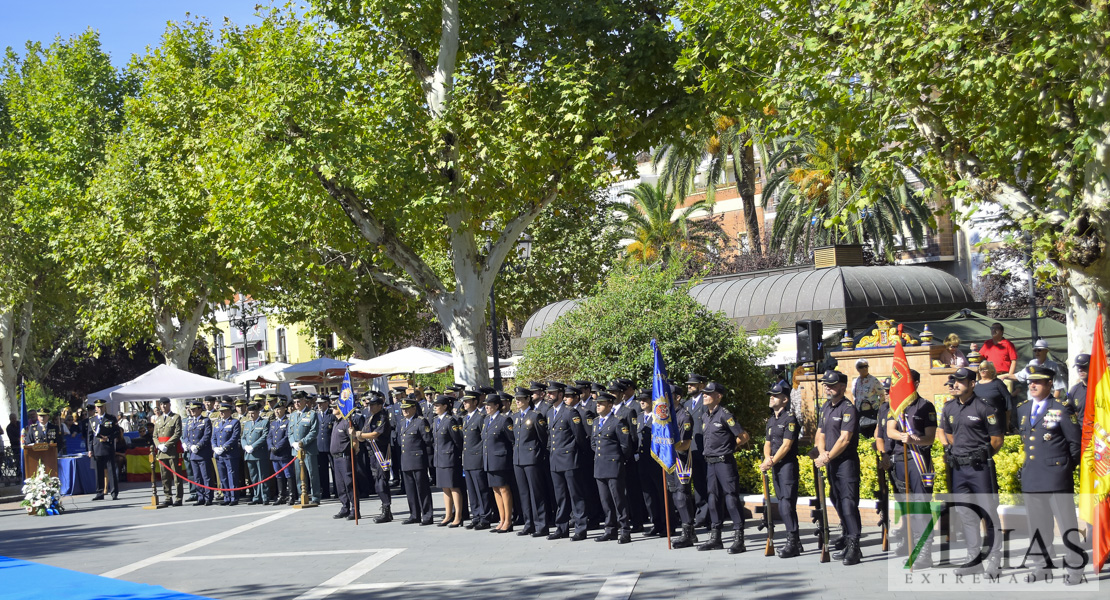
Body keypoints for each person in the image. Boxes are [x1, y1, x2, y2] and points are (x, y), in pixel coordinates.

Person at [1015, 365, 1084, 585]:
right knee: (1038, 525)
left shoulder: (1061, 408)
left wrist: (1065, 467)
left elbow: (1075, 443)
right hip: (1032, 476)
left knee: (1066, 526)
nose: (1032, 385)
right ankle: (1042, 567)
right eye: (1030, 382)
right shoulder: (1023, 409)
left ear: (1049, 383)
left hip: (1056, 476)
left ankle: (1075, 568)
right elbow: (1026, 440)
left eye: (1038, 382)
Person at [939, 367, 1005, 576]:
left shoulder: (985, 408)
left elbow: (997, 440)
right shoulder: (949, 408)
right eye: (954, 381)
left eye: (960, 381)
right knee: (966, 513)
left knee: (988, 513)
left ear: (972, 384)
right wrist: (959, 452)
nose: (955, 384)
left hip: (980, 469)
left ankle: (994, 558)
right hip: (959, 468)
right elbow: (947, 433)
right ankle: (973, 559)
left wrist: (978, 456)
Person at [885, 369, 937, 568]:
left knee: (920, 507)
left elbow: (930, 437)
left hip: (918, 460)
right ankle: (912, 546)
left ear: (916, 383)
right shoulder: (895, 407)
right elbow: (890, 430)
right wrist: (901, 437)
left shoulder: (925, 406)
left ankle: (925, 553)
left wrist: (914, 439)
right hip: (900, 459)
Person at [813, 370, 863, 565]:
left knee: (849, 503)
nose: (827, 387)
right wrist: (823, 453)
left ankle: (854, 547)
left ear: (842, 387)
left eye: (832, 385)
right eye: (826, 384)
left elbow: (844, 439)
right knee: (836, 499)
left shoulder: (848, 408)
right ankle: (847, 537)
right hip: (832, 462)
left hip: (846, 463)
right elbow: (820, 434)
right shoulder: (826, 406)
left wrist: (826, 457)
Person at [695, 382, 749, 554]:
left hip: (724, 463)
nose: (704, 395)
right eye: (704, 393)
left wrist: (730, 448)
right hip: (710, 463)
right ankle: (715, 537)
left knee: (731, 498)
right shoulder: (706, 415)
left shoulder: (725, 414)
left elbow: (743, 436)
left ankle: (739, 538)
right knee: (712, 498)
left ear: (718, 396)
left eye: (708, 393)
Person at [761, 382, 802, 558]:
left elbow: (786, 445)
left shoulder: (790, 419)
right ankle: (797, 542)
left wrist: (771, 461)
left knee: (786, 504)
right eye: (771, 394)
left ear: (784, 399)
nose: (771, 397)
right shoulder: (771, 420)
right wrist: (767, 458)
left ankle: (792, 541)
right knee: (783, 502)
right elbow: (767, 443)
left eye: (775, 395)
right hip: (776, 466)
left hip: (787, 466)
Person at [547, 384, 590, 541]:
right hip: (556, 460)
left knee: (576, 495)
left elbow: (579, 437)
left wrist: (578, 455)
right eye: (548, 393)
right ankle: (562, 527)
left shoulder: (570, 412)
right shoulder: (550, 413)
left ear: (560, 394)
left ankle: (581, 528)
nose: (549, 395)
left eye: (551, 393)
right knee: (561, 497)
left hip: (570, 459)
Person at [591, 392, 632, 544]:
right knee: (605, 501)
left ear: (610, 405)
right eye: (597, 403)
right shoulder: (596, 422)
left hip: (614, 465)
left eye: (601, 404)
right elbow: (594, 443)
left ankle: (625, 530)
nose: (598, 406)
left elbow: (625, 446)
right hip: (600, 465)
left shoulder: (617, 422)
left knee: (619, 500)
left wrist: (617, 460)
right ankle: (610, 529)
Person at [513, 383, 550, 537]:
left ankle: (541, 525)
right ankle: (529, 524)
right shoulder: (515, 417)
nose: (518, 401)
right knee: (524, 493)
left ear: (528, 399)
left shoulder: (535, 416)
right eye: (516, 399)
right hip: (519, 459)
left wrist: (539, 455)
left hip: (532, 459)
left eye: (521, 399)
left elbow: (543, 439)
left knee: (536, 493)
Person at [666, 384, 699, 549]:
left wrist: (669, 446)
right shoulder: (666, 416)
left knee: (681, 495)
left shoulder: (684, 416)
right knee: (673, 493)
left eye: (669, 395)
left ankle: (688, 532)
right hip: (669, 459)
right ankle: (690, 531)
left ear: (677, 397)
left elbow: (685, 444)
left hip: (681, 460)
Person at [353, 392, 393, 523]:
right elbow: (364, 433)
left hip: (381, 453)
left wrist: (360, 435)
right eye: (369, 404)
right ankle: (385, 507)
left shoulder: (382, 417)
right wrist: (357, 435)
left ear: (380, 405)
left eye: (373, 405)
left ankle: (386, 509)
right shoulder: (369, 418)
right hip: (372, 454)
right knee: (377, 482)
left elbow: (375, 434)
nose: (370, 407)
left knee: (382, 482)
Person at [397, 395, 434, 525]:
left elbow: (428, 440)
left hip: (418, 460)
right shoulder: (402, 423)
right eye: (403, 409)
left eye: (407, 409)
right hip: (406, 460)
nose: (405, 411)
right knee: (410, 490)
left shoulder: (420, 421)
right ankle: (414, 514)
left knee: (422, 489)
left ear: (414, 408)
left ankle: (427, 515)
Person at [429, 395, 464, 527]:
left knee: (454, 487)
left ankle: (458, 516)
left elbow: (457, 441)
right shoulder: (436, 420)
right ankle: (448, 514)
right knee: (445, 488)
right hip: (439, 458)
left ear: (445, 406)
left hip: (450, 458)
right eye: (435, 405)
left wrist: (456, 456)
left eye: (437, 405)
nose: (435, 407)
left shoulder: (450, 421)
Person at [634, 391, 666, 537]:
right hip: (643, 461)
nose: (641, 402)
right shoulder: (640, 417)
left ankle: (666, 524)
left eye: (645, 400)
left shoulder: (659, 417)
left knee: (660, 494)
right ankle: (656, 523)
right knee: (649, 496)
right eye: (640, 400)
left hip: (656, 461)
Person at [482, 393, 514, 533]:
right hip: (490, 460)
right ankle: (501, 519)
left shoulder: (504, 420)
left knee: (504, 489)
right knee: (495, 489)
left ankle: (508, 520)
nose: (487, 407)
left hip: (501, 460)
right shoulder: (487, 420)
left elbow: (512, 440)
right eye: (486, 405)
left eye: (489, 405)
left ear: (497, 406)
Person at [683, 373, 711, 527]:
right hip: (692, 449)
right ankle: (701, 516)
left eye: (692, 384)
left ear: (701, 385)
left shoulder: (706, 401)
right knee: (698, 484)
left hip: (705, 447)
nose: (689, 386)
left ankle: (711, 516)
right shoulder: (687, 404)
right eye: (688, 384)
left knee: (709, 484)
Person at [289, 392, 321, 505]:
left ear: (304, 401)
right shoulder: (292, 415)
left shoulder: (311, 414)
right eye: (295, 402)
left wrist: (302, 442)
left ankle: (316, 496)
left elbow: (314, 431)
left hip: (308, 449)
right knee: (299, 474)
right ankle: (301, 495)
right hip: (296, 450)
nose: (297, 404)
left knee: (312, 473)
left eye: (299, 401)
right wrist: (293, 443)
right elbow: (290, 432)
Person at [329, 403, 359, 520]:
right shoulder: (336, 422)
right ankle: (345, 507)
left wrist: (355, 450)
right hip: (336, 458)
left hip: (345, 457)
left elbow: (354, 440)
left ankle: (354, 509)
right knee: (340, 485)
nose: (333, 409)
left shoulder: (347, 422)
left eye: (335, 407)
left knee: (349, 484)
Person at [153, 397, 184, 507]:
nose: (163, 406)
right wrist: (159, 446)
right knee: (165, 476)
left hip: (172, 450)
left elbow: (177, 433)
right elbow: (154, 436)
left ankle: (178, 497)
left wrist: (167, 445)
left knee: (176, 476)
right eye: (161, 404)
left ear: (169, 405)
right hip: (162, 452)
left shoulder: (175, 417)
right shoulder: (158, 419)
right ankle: (168, 497)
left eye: (165, 404)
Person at [87, 399, 120, 501]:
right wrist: (90, 449)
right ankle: (99, 492)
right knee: (99, 471)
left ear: (104, 407)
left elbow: (117, 432)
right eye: (98, 407)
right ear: (95, 408)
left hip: (108, 446)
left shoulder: (111, 418)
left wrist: (109, 437)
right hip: (97, 447)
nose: (100, 409)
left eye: (101, 407)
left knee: (111, 470)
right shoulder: (92, 420)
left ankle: (114, 493)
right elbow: (89, 436)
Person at [184, 400, 214, 506]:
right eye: (191, 410)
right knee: (197, 477)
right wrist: (189, 446)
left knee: (206, 476)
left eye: (194, 409)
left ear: (200, 409)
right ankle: (200, 496)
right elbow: (185, 437)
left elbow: (207, 436)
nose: (192, 411)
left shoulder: (205, 421)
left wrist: (198, 446)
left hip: (203, 453)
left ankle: (208, 497)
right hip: (193, 453)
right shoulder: (189, 422)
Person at [211, 400, 242, 506]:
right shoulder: (217, 423)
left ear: (229, 411)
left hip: (230, 453)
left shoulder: (234, 422)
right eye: (220, 411)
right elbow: (213, 437)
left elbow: (234, 437)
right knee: (222, 476)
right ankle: (226, 496)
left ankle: (234, 497)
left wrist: (224, 447)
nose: (221, 413)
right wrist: (215, 447)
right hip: (219, 454)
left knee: (231, 475)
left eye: (224, 411)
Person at [241, 401, 272, 505]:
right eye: (249, 413)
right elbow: (243, 437)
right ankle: (256, 496)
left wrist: (253, 446)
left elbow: (264, 436)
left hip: (259, 453)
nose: (250, 415)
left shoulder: (264, 422)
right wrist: (245, 446)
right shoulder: (247, 423)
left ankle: (265, 496)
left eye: (253, 413)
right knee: (253, 476)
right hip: (249, 454)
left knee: (262, 476)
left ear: (258, 412)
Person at [268, 399, 294, 505]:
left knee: (288, 474)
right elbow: (269, 436)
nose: (277, 412)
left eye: (279, 409)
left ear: (284, 409)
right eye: (276, 410)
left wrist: (277, 447)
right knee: (278, 475)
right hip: (274, 454)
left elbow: (287, 437)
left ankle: (291, 495)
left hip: (284, 453)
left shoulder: (287, 422)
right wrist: (271, 447)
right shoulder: (273, 423)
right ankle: (281, 495)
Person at [851, 359, 881, 438]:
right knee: (861, 435)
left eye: (866, 366)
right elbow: (854, 396)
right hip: (860, 412)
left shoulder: (873, 380)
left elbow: (882, 395)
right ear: (857, 369)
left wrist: (880, 409)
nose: (864, 369)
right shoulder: (855, 381)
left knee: (872, 435)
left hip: (872, 413)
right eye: (861, 367)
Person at [315, 395, 335, 500]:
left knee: (334, 469)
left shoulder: (332, 415)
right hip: (319, 447)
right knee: (322, 471)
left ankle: (337, 490)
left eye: (321, 403)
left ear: (327, 403)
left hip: (330, 446)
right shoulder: (315, 415)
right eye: (318, 403)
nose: (319, 405)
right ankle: (325, 491)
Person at [1065, 354, 1090, 422]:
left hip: (1100, 431)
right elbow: (1072, 412)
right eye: (1078, 367)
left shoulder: (1103, 388)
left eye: (1083, 366)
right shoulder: (1074, 390)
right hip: (1082, 430)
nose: (1080, 369)